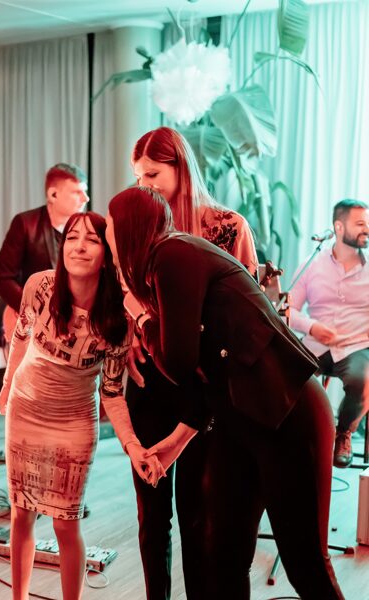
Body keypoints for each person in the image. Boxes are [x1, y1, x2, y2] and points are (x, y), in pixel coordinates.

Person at [106, 186, 345, 600]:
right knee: (222, 556)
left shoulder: (173, 253)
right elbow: (207, 375)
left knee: (305, 563)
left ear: (128, 227)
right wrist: (176, 442)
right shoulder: (168, 262)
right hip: (239, 419)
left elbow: (179, 363)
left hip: (287, 411)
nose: (107, 233)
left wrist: (141, 317)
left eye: (110, 224)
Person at [0, 211, 163, 600]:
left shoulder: (118, 317)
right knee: (21, 515)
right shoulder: (40, 287)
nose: (79, 247)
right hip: (25, 410)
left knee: (65, 524)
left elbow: (112, 392)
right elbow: (21, 337)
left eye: (91, 239)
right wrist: (6, 386)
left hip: (74, 423)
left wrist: (132, 445)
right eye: (72, 238)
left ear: (106, 254)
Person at [125, 126, 258, 600]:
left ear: (181, 168)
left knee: (199, 516)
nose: (145, 186)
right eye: (138, 178)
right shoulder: (138, 229)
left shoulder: (227, 226)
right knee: (151, 516)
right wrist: (134, 326)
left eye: (153, 175)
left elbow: (251, 304)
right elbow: (122, 290)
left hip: (206, 386)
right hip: (150, 380)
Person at [289, 199, 369, 468]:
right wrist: (312, 326)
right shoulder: (312, 264)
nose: (367, 229)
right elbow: (287, 310)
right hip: (315, 344)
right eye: (360, 223)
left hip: (356, 347)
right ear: (339, 227)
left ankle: (343, 433)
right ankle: (296, 438)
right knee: (286, 374)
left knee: (364, 381)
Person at [0, 163, 88, 337]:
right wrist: (33, 309)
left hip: (73, 321)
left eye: (85, 191)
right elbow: (2, 278)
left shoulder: (86, 228)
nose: (86, 198)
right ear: (53, 195)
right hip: (30, 320)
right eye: (77, 192)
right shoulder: (25, 223)